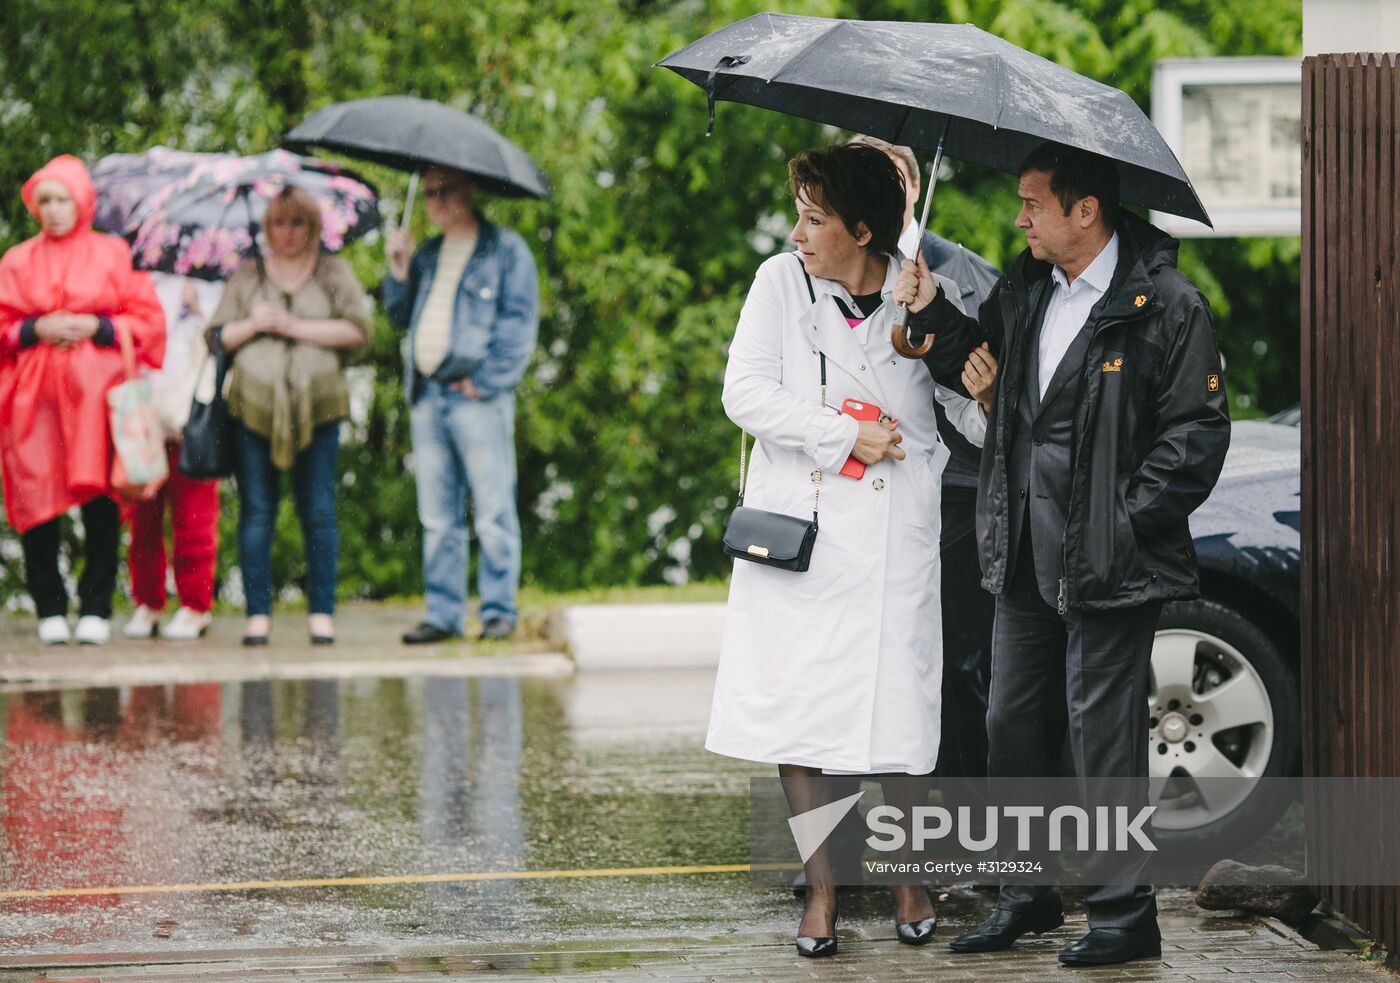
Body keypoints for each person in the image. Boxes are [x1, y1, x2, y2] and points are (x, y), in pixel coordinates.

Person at [895, 142, 1231, 967]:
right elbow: (981, 366)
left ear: (1086, 211)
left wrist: (1123, 522)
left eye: (1033, 203)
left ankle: (1123, 915)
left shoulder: (1167, 304)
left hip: (1111, 563)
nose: (1020, 219)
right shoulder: (1027, 288)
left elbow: (1196, 435)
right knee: (1009, 722)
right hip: (1021, 554)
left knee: (1102, 739)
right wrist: (931, 310)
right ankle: (1026, 893)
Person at [706, 143, 987, 959]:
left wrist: (958, 353)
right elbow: (745, 392)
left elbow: (972, 421)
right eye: (798, 215)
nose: (798, 233)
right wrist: (842, 434)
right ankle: (823, 887)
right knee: (804, 711)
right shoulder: (779, 283)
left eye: (814, 218)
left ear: (862, 230)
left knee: (901, 708)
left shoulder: (922, 291)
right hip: (804, 530)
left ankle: (908, 879)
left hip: (896, 534)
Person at [850, 135, 1002, 782]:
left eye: (886, 179)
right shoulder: (822, 271)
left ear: (914, 186)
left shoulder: (966, 271)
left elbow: (989, 390)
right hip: (862, 488)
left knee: (957, 660)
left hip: (956, 493)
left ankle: (968, 819)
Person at [0, 155, 165, 645]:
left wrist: (99, 326)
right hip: (33, 404)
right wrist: (34, 329)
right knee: (36, 496)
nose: (53, 210)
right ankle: (48, 605)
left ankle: (96, 605)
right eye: (45, 201)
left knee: (101, 500)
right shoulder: (16, 261)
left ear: (83, 202)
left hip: (97, 404)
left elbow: (149, 322)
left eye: (62, 199)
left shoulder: (113, 254)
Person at [207, 186, 371, 646]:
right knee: (257, 510)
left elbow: (360, 330)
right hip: (252, 409)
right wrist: (254, 323)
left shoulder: (332, 271)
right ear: (267, 227)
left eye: (297, 222)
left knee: (318, 509)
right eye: (279, 222)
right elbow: (216, 337)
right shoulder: (248, 274)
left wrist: (297, 327)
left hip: (319, 407)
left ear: (313, 225)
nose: (288, 232)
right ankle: (258, 615)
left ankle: (322, 613)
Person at [383, 167, 539, 644]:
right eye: (428, 192)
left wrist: (486, 381)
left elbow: (520, 324)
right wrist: (399, 269)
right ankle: (443, 614)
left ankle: (498, 611)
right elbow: (397, 315)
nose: (433, 200)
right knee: (437, 516)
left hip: (475, 397)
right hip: (428, 396)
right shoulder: (427, 254)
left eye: (442, 190)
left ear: (468, 190)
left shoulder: (506, 250)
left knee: (492, 509)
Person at [123, 274, 225, 641]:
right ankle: (147, 601)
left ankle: (195, 604)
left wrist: (200, 308)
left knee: (195, 514)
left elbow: (224, 340)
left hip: (192, 413)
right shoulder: (140, 280)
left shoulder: (214, 282)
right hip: (144, 411)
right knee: (142, 515)